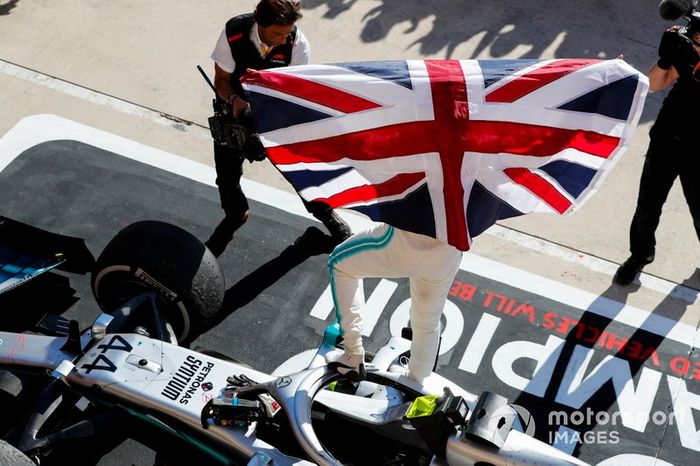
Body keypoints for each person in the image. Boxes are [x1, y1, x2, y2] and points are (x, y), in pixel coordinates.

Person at [205, 0, 350, 258]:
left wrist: (266, 133)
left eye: (287, 32)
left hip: (277, 117)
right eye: (277, 34)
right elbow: (221, 79)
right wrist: (235, 102)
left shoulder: (297, 45)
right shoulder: (234, 33)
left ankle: (327, 216)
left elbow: (293, 100)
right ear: (260, 25)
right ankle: (236, 213)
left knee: (303, 172)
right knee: (226, 178)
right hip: (234, 113)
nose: (284, 40)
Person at [614, 22, 700, 286]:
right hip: (667, 139)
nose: (695, 39)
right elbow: (653, 85)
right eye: (696, 33)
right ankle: (639, 256)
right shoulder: (686, 51)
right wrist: (666, 58)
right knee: (647, 206)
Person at [325, 223, 463, 383]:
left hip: (406, 238)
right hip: (448, 253)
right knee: (428, 320)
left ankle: (352, 354)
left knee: (339, 265)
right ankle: (417, 377)